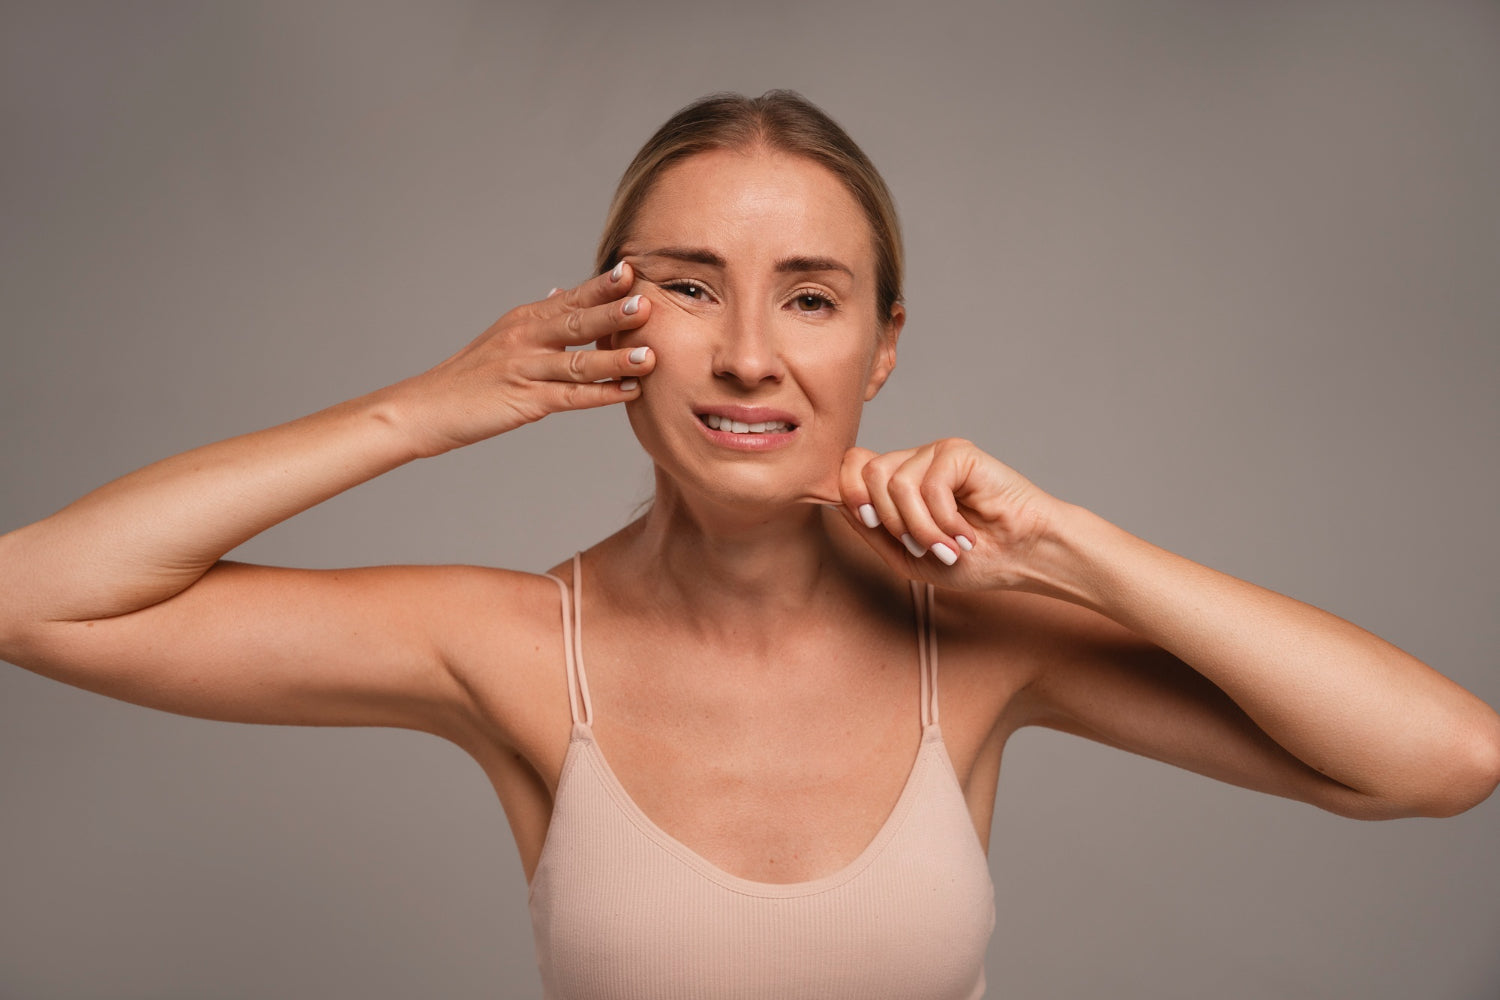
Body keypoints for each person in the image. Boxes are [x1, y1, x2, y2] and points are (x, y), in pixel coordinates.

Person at [0, 90, 1496, 998]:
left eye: (811, 295)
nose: (747, 357)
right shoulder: (517, 652)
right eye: (690, 287)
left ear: (884, 347)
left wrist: (1080, 549)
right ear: (608, 322)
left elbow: (1442, 761)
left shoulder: (975, 635)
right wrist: (428, 411)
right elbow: (35, 598)